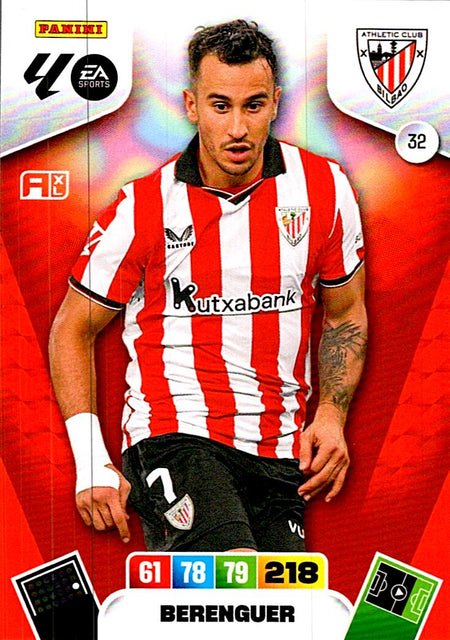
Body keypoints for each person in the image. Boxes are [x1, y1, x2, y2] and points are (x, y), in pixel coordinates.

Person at [49, 19, 367, 552]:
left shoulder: (325, 189)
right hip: (175, 435)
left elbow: (345, 311)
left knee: (283, 598)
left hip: (279, 451)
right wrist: (90, 459)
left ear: (276, 103)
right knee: (232, 578)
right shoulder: (144, 207)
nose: (237, 128)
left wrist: (332, 415)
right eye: (221, 106)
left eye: (253, 105)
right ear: (192, 105)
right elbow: (71, 329)